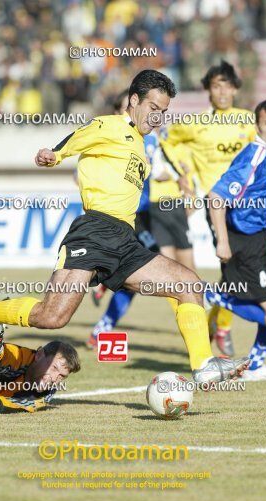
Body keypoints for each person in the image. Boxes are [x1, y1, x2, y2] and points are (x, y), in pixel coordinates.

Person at [0, 69, 249, 385]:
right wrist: (54, 154)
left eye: (163, 111)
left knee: (188, 284)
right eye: (153, 108)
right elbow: (77, 138)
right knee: (52, 317)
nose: (157, 117)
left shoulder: (142, 146)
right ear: (134, 100)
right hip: (93, 232)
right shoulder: (110, 125)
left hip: (126, 240)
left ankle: (202, 367)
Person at [160, 61, 256, 357]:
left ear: (236, 88)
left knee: (245, 270)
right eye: (216, 85)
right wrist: (183, 173)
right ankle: (222, 327)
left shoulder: (250, 121)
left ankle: (215, 320)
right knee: (235, 267)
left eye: (227, 85)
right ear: (208, 90)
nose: (222, 91)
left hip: (252, 207)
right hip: (218, 206)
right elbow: (167, 141)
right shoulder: (195, 123)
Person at [207, 98, 266, 381]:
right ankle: (213, 296)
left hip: (263, 236)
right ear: (258, 125)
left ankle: (256, 365)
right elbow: (216, 197)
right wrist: (222, 241)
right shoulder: (254, 155)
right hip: (243, 240)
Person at [87, 88, 159, 347]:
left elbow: (159, 170)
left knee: (140, 272)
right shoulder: (109, 136)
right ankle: (102, 285)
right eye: (119, 110)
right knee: (139, 271)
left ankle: (103, 285)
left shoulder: (149, 139)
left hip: (145, 215)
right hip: (122, 216)